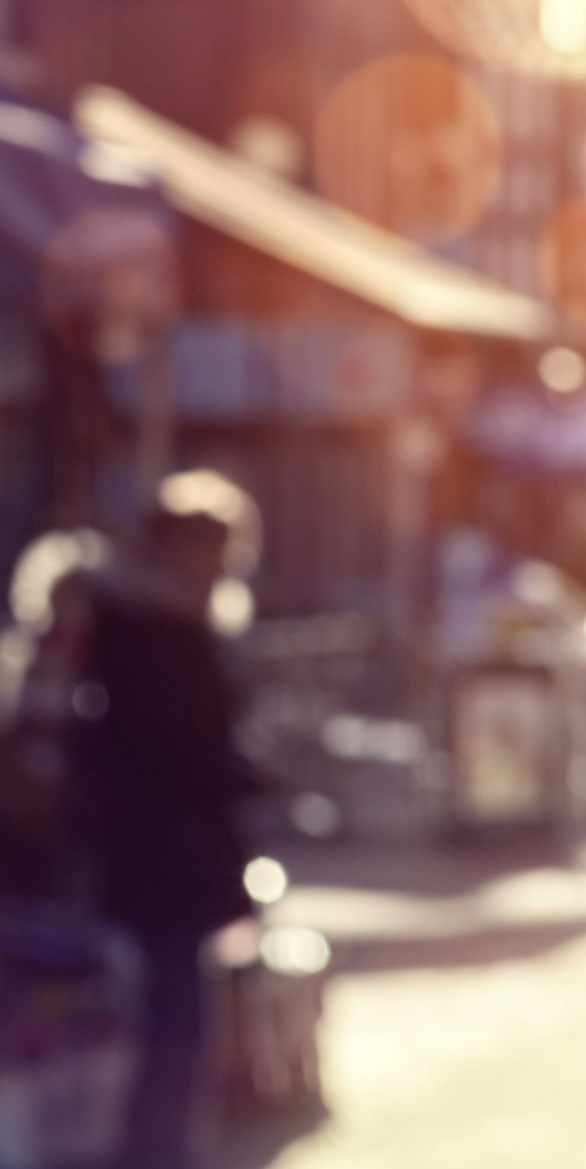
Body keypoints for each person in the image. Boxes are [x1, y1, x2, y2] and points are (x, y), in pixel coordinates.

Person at [70, 500, 263, 1169]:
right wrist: (240, 774)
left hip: (156, 849)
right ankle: (160, 1152)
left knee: (172, 1011)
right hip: (159, 851)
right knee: (174, 1019)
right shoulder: (158, 632)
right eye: (211, 553)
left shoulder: (148, 624)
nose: (219, 570)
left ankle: (165, 1146)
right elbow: (176, 747)